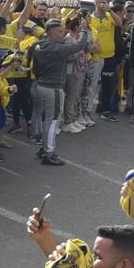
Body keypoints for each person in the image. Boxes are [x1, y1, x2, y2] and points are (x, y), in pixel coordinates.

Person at [30, 19, 88, 167]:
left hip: (42, 85)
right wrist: (85, 31)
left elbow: (34, 68)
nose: (64, 34)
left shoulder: (38, 46)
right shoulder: (57, 48)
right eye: (61, 32)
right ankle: (48, 153)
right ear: (52, 33)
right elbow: (80, 45)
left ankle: (44, 149)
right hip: (53, 88)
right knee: (53, 120)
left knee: (48, 120)